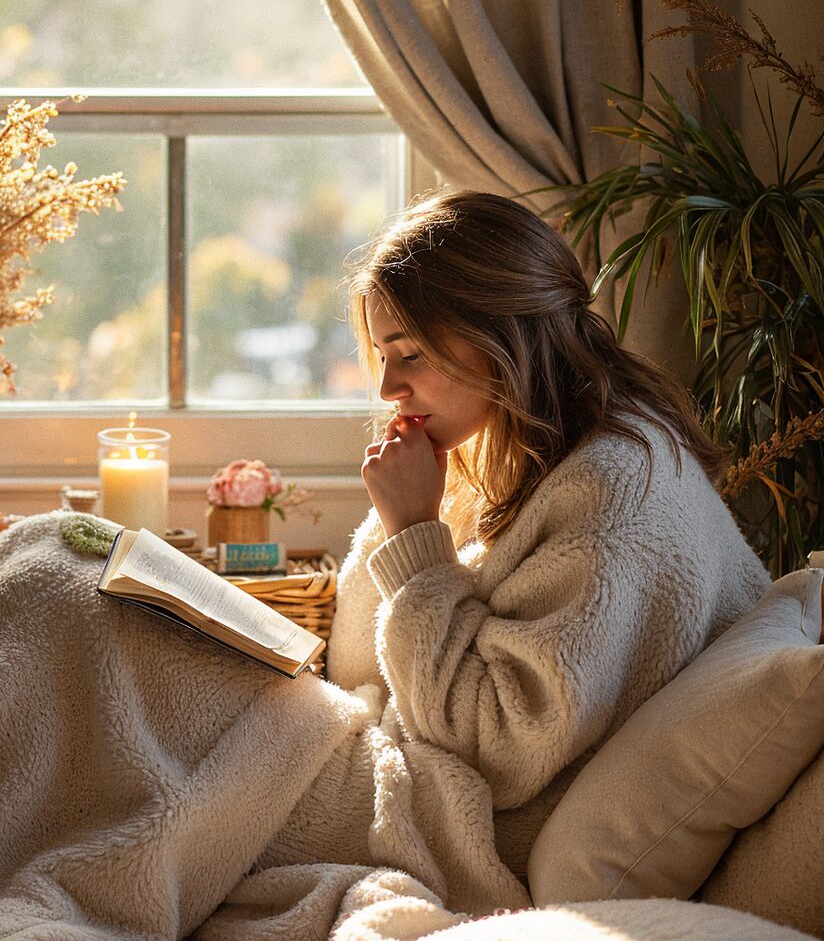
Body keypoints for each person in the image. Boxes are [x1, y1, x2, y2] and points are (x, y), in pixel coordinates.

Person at [322, 190, 770, 880]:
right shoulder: (510, 450)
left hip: (489, 829)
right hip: (395, 757)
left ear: (497, 331)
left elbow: (502, 748)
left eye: (408, 354)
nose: (387, 386)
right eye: (384, 355)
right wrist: (409, 518)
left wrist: (412, 531)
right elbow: (355, 660)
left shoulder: (611, 492)